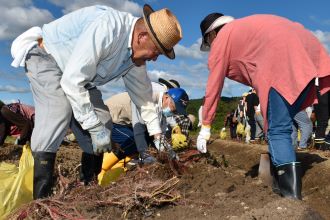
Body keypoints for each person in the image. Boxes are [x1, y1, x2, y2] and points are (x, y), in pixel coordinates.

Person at [11, 4, 182, 199]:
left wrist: (159, 140)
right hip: (48, 57)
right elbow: (72, 81)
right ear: (142, 37)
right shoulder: (108, 28)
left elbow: (144, 100)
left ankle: (88, 188)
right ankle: (41, 198)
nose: (155, 59)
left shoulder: (135, 60)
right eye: (156, 52)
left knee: (103, 119)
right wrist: (92, 127)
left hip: (78, 76)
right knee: (58, 111)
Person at [197, 13, 330, 200]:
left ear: (211, 35)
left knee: (277, 131)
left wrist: (206, 125)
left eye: (209, 43)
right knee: (283, 125)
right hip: (306, 54)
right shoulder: (248, 30)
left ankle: (291, 199)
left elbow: (214, 84)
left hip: (280, 61)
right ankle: (280, 177)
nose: (211, 47)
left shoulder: (224, 37)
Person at [99, 84, 189, 179]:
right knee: (133, 142)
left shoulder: (161, 109)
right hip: (108, 118)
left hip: (125, 122)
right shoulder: (148, 98)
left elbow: (159, 136)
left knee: (146, 142)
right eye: (174, 108)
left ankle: (118, 167)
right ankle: (100, 169)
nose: (173, 112)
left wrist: (172, 154)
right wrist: (145, 155)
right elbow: (139, 130)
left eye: (176, 112)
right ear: (166, 97)